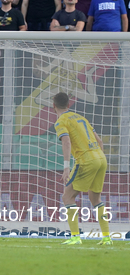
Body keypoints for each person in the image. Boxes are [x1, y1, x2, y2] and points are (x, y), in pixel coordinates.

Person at [52, 92, 112, 246]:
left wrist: (66, 167)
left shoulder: (60, 122)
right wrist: (98, 159)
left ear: (53, 105)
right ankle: (107, 238)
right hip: (100, 158)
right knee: (95, 198)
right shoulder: (80, 117)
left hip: (86, 160)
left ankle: (75, 237)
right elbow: (99, 141)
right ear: (68, 104)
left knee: (67, 197)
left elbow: (66, 143)